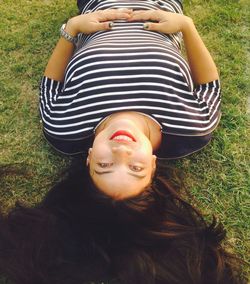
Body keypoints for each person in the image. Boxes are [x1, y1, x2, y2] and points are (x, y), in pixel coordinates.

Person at [39, 0, 221, 199]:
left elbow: (50, 85)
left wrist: (72, 28)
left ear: (89, 158)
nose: (121, 151)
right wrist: (186, 26)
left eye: (104, 165)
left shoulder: (64, 126)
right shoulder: (192, 126)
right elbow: (209, 86)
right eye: (136, 167)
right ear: (152, 165)